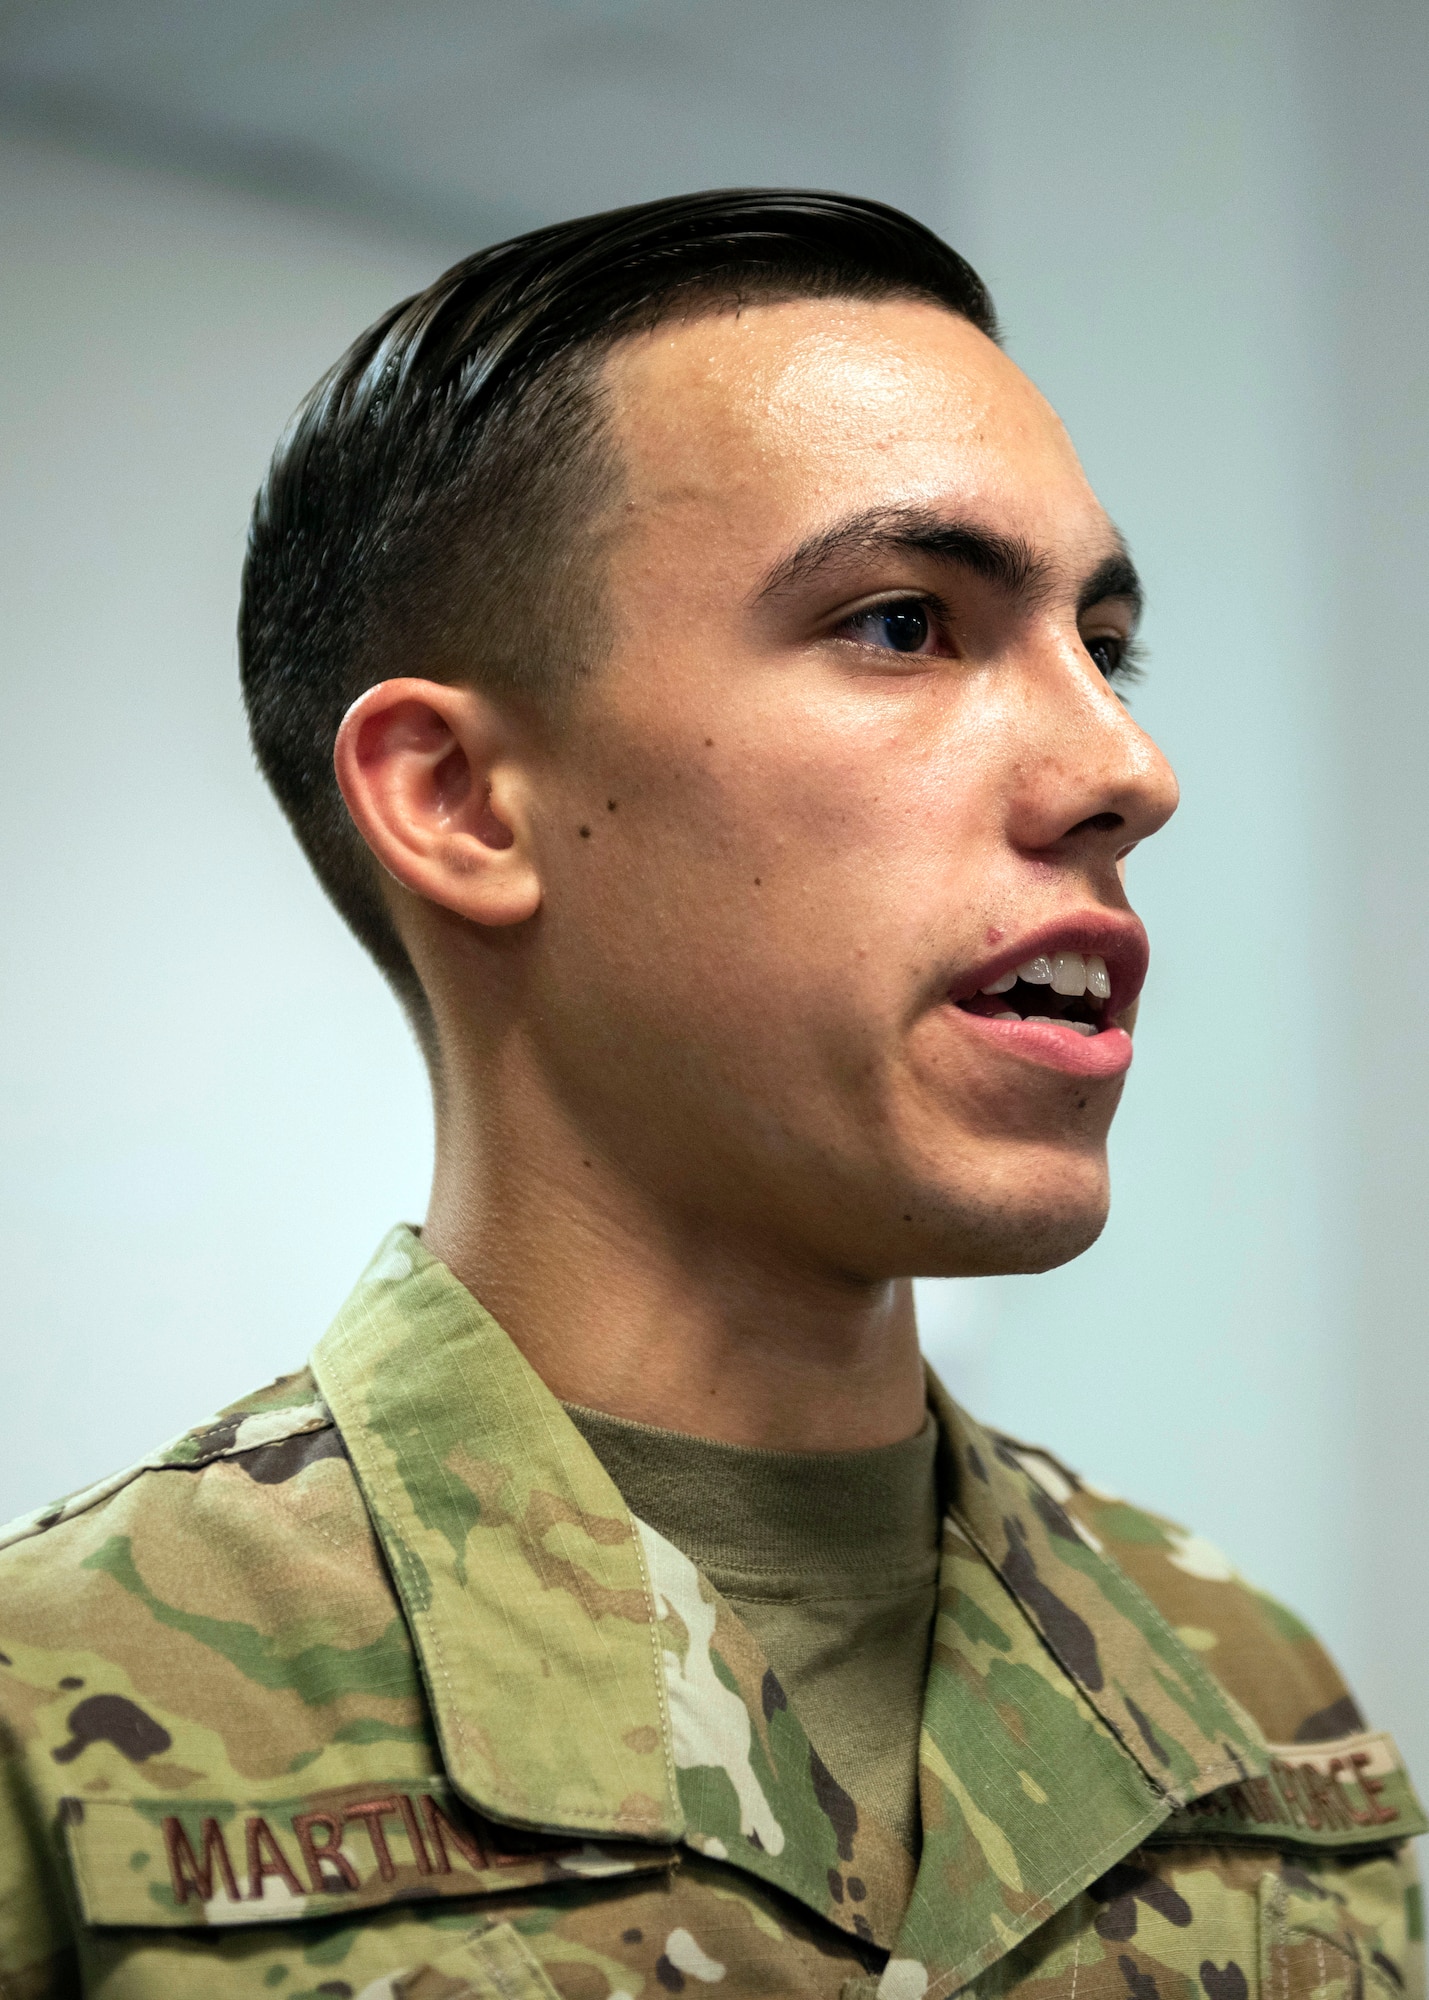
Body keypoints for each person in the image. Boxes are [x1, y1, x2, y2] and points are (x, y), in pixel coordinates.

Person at [0, 190, 1420, 2000]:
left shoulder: (1247, 1701)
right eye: (905, 624)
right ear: (457, 801)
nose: (1122, 768)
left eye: (1103, 646)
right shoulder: (67, 1735)